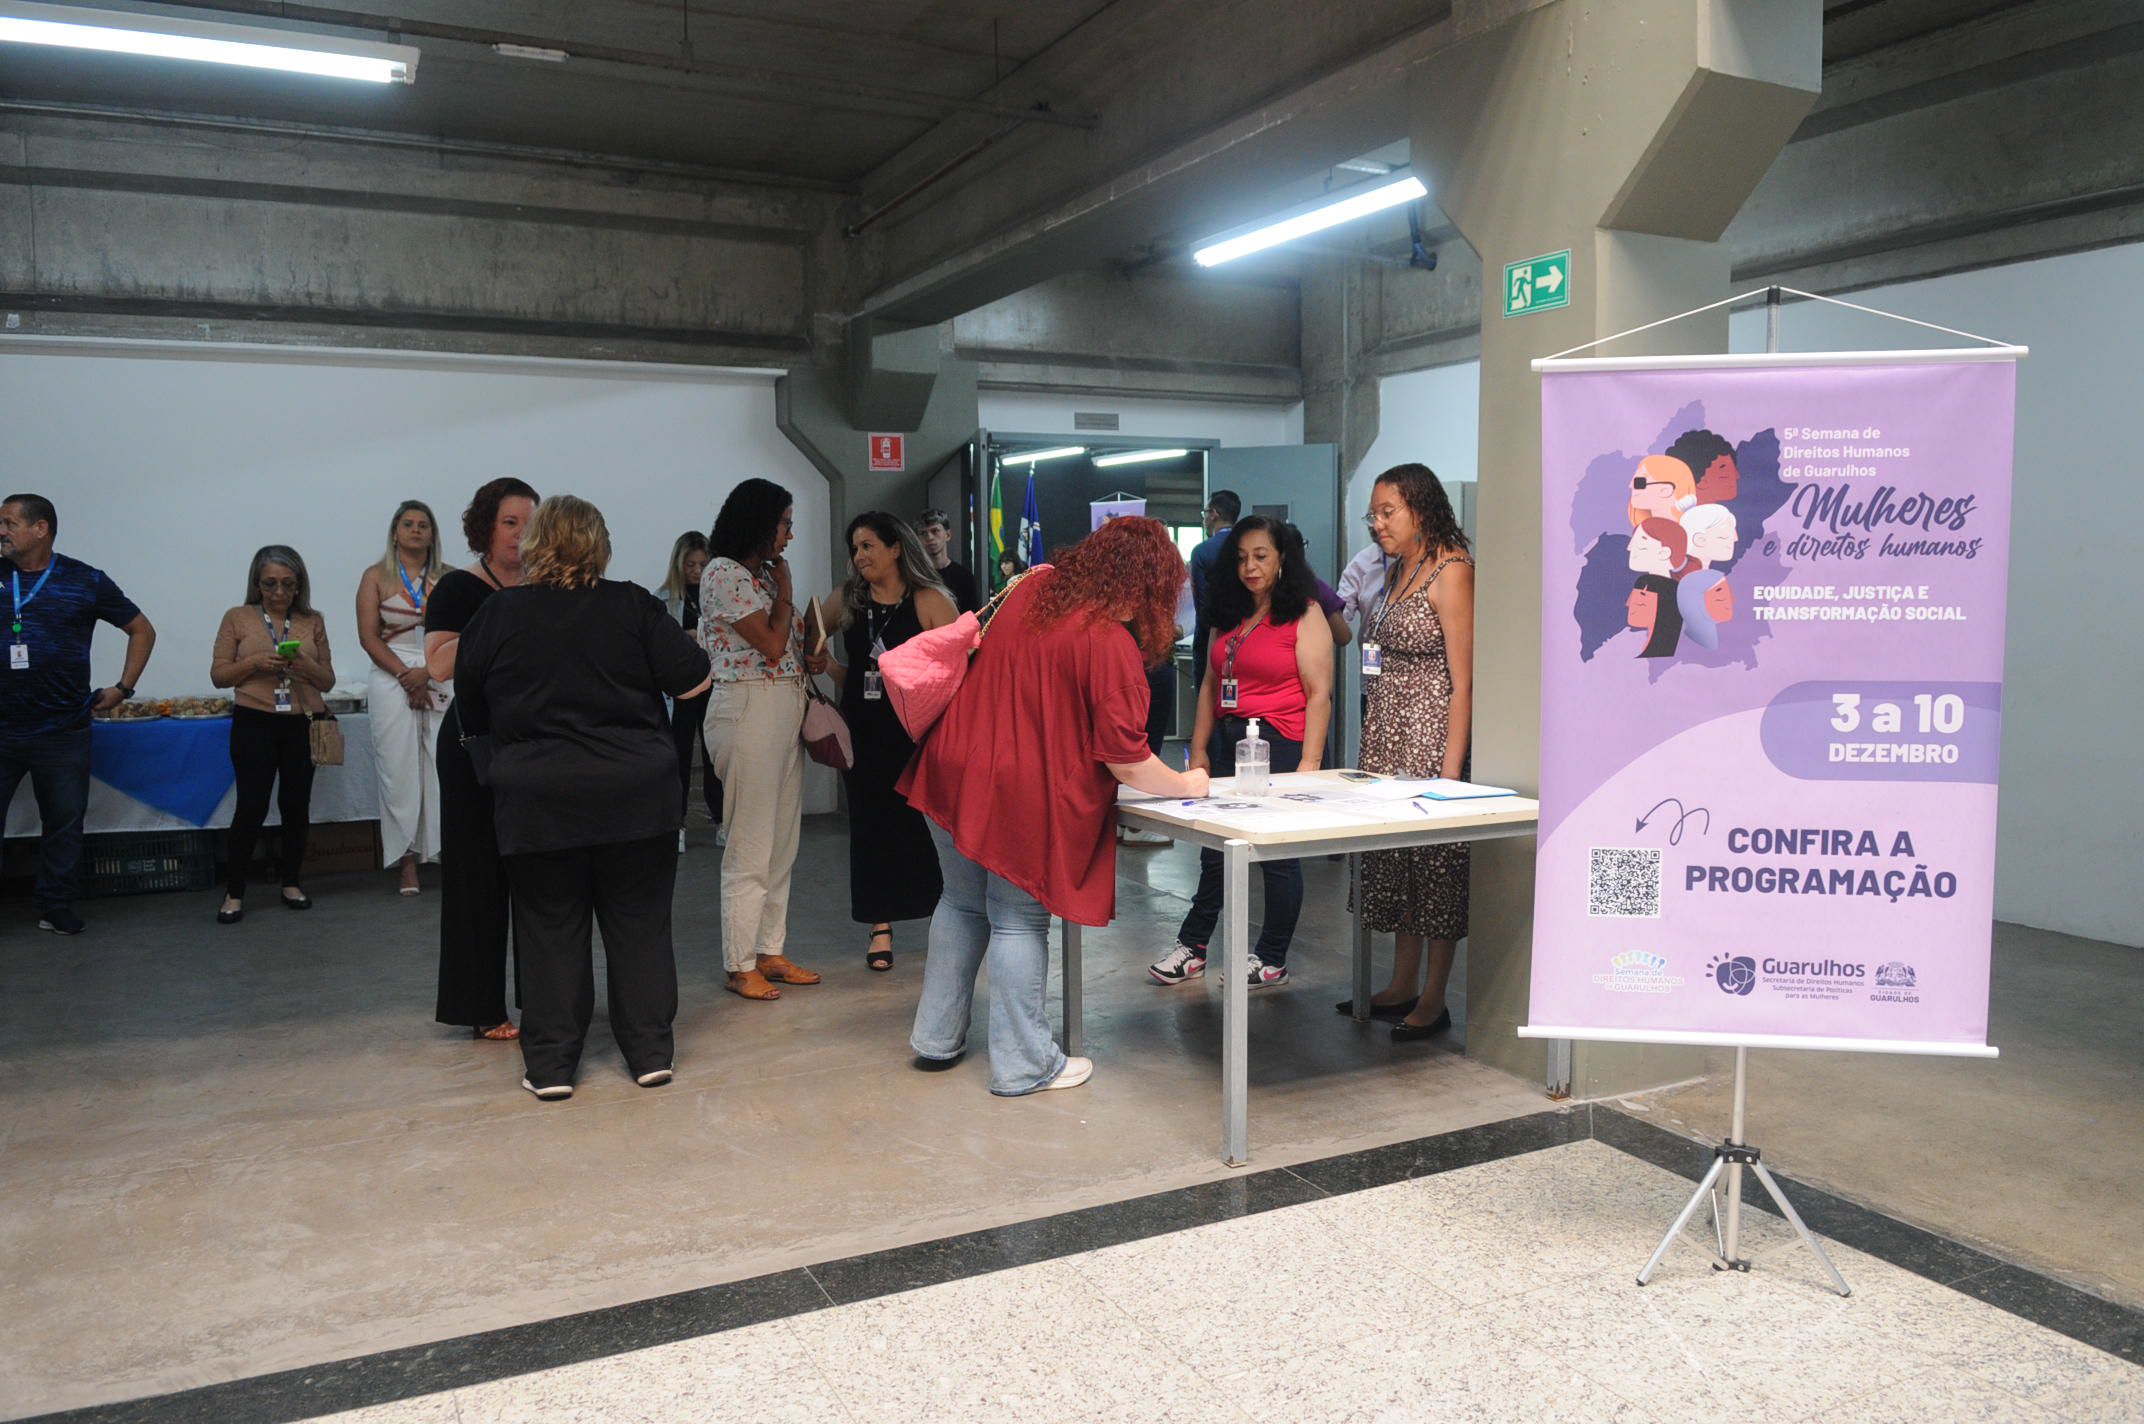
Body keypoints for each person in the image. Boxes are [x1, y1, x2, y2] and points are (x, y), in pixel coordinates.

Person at [902, 516, 1209, 1096]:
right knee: (1017, 920)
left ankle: (935, 1038)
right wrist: (1188, 781)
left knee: (960, 904)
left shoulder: (1032, 588)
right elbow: (1128, 762)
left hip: (950, 766)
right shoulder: (1110, 643)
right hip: (1013, 793)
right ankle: (1024, 1065)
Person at [454, 496, 711, 1100]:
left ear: (534, 544)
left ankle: (550, 1066)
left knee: (548, 929)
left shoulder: (499, 612)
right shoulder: (634, 605)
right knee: (640, 926)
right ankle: (649, 1054)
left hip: (538, 797)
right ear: (601, 545)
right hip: (636, 794)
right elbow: (695, 677)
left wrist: (499, 767)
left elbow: (469, 701)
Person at [1148, 516, 1333, 990]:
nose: (1250, 566)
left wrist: (1309, 768)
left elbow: (1319, 694)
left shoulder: (1304, 613)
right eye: (1242, 557)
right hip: (1229, 739)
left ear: (1282, 559)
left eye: (1261, 556)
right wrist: (1199, 748)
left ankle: (1271, 958)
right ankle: (1193, 947)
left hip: (1280, 743)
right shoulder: (1228, 613)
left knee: (1278, 855)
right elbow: (1211, 684)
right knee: (1214, 850)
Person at [1341, 463, 1475, 1042]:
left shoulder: (1453, 570)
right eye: (1373, 514)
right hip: (1387, 737)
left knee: (1436, 869)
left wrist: (1450, 773)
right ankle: (1400, 984)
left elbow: (1464, 683)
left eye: (1387, 512)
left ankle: (1434, 997)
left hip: (1429, 739)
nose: (1378, 523)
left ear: (1420, 508)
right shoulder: (1398, 568)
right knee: (1396, 864)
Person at [0, 493, 156, 936]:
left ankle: (55, 905)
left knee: (63, 824)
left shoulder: (84, 580)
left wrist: (123, 688)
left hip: (62, 729)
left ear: (41, 529)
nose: (1, 532)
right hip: (2, 728)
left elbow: (141, 630)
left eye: (9, 523)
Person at [700, 477, 828, 1001]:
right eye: (784, 524)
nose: (789, 535)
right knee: (751, 843)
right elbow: (771, 646)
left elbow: (786, 647)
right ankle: (739, 963)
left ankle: (770, 950)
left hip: (782, 707)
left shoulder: (763, 578)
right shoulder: (723, 573)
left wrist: (813, 653)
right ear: (758, 522)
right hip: (747, 708)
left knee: (781, 844)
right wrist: (789, 592)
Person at [425, 476, 538, 1042]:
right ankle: (482, 1006)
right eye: (509, 523)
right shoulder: (457, 587)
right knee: (477, 878)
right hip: (476, 743)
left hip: (536, 741)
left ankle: (546, 1000)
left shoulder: (548, 585)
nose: (520, 534)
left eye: (529, 524)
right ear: (485, 528)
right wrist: (503, 620)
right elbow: (438, 664)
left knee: (541, 876)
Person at [822, 512, 956, 970]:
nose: (859, 557)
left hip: (915, 732)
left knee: (924, 827)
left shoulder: (928, 599)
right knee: (869, 827)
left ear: (896, 548)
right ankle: (880, 926)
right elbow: (812, 638)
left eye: (867, 546)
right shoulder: (849, 599)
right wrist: (829, 668)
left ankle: (945, 919)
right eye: (855, 549)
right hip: (863, 729)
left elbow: (960, 667)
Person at [210, 545, 336, 922]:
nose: (279, 592)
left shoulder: (312, 620)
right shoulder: (237, 617)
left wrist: (304, 663)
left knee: (296, 805)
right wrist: (254, 662)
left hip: (301, 722)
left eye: (288, 584)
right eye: (270, 584)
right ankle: (234, 892)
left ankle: (291, 882)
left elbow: (327, 680)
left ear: (299, 586)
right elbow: (219, 675)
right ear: (257, 583)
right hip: (255, 720)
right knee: (251, 806)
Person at [355, 500, 445, 896]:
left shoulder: (450, 577)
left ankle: (445, 850)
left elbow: (462, 632)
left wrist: (429, 672)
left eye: (423, 525)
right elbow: (368, 637)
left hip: (439, 671)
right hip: (393, 673)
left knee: (443, 765)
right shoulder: (375, 576)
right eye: (408, 524)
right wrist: (408, 677)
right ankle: (407, 861)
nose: (416, 530)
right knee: (398, 768)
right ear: (394, 532)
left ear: (433, 534)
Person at [658, 531, 721, 848]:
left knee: (716, 757)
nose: (696, 571)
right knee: (678, 758)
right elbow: (658, 644)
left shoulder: (719, 595)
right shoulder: (663, 599)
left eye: (702, 564)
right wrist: (686, 637)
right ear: (679, 564)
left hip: (714, 684)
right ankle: (677, 825)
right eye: (690, 565)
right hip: (680, 688)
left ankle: (722, 820)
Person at [1187, 489, 1240, 693]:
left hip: (1210, 641)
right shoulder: (1247, 547)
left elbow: (1202, 606)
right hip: (1244, 639)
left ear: (1214, 514)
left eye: (1205, 513)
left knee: (1208, 698)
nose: (1204, 519)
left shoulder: (1202, 552)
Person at [914, 507, 980, 614]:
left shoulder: (964, 577)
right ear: (918, 539)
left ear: (948, 534)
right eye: (923, 533)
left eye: (935, 531)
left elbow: (971, 618)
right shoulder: (915, 576)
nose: (930, 537)